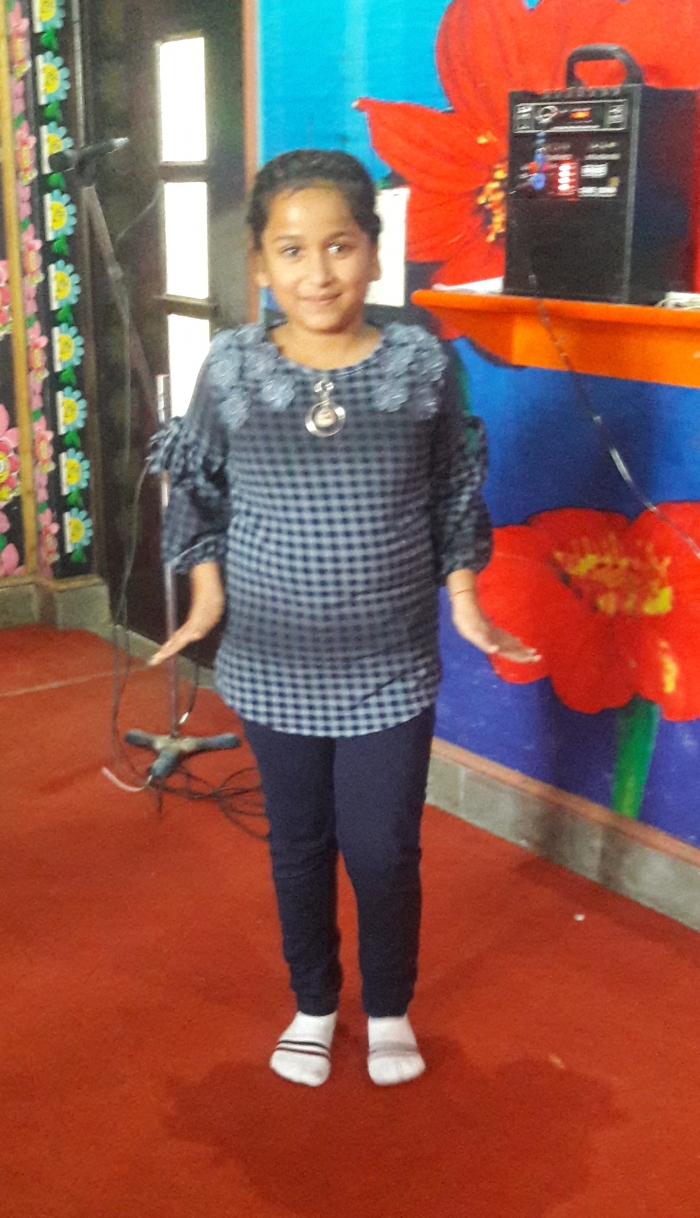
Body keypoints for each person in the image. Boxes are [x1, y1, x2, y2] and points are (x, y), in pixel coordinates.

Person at [149, 149, 538, 1088]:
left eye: (339, 245)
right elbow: (197, 486)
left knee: (382, 847)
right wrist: (205, 596)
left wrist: (467, 602)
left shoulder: (422, 364)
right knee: (298, 842)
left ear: (374, 250)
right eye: (291, 250)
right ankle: (315, 1003)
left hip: (389, 667)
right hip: (270, 663)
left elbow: (451, 490)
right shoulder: (232, 367)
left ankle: (389, 1005)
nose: (317, 272)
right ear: (259, 262)